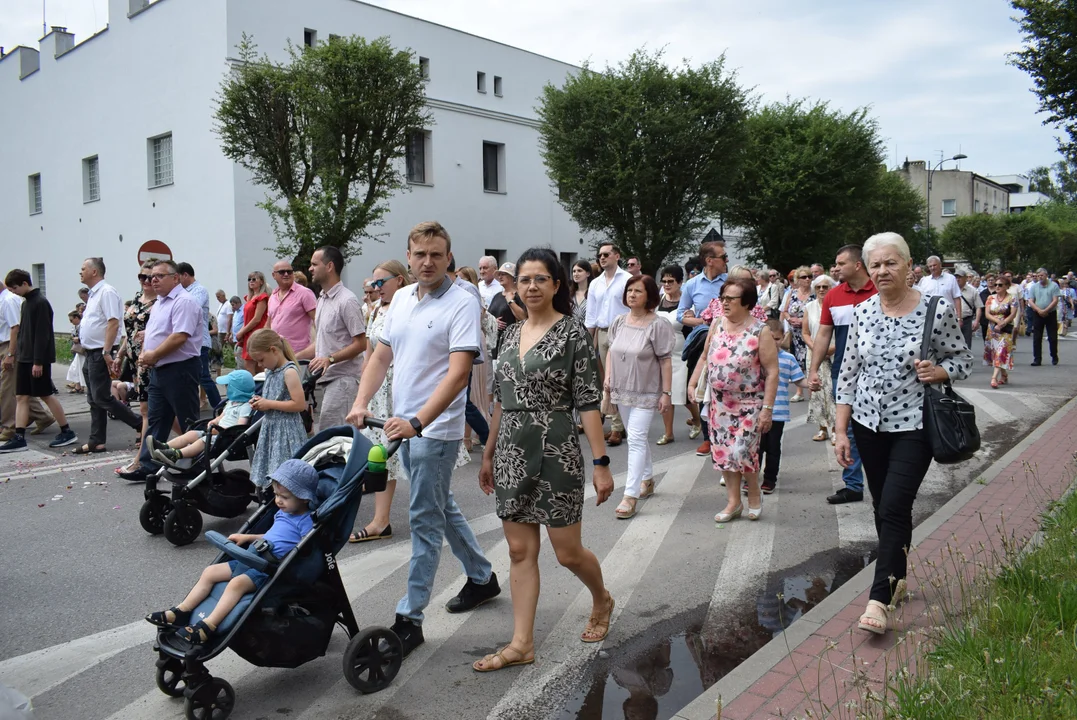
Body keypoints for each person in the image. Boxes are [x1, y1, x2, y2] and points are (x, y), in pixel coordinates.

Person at [346, 221, 500, 660]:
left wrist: (419, 420)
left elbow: (458, 374)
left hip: (436, 429)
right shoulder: (400, 301)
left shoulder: (462, 301)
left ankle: (409, 618)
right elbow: (380, 355)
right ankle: (481, 576)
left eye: (437, 254)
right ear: (409, 257)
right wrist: (361, 401)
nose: (428, 262)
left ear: (448, 257)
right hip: (400, 424)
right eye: (420, 254)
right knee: (438, 504)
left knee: (424, 521)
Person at [474, 247, 614, 672]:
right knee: (519, 551)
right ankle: (521, 643)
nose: (531, 286)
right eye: (524, 279)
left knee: (567, 552)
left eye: (540, 279)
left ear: (557, 285)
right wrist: (489, 451)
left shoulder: (571, 333)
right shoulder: (508, 334)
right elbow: (500, 398)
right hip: (512, 450)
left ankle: (602, 598)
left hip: (556, 448)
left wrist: (602, 463)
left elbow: (589, 403)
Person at [834, 232, 971, 634]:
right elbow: (847, 374)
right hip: (867, 424)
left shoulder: (935, 309)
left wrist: (940, 371)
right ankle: (897, 578)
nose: (882, 271)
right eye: (875, 264)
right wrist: (841, 431)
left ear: (909, 267)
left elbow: (962, 359)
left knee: (893, 505)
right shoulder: (861, 312)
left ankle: (878, 600)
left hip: (915, 424)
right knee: (884, 506)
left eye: (890, 263)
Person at [145, 459, 319, 643]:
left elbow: (305, 548)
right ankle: (181, 611)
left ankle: (208, 626)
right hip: (253, 555)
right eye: (276, 494)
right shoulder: (282, 512)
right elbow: (272, 536)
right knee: (210, 572)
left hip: (269, 566)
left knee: (237, 584)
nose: (278, 500)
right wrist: (248, 538)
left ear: (304, 497)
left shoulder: (306, 521)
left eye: (284, 497)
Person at [687, 277, 778, 522]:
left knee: (741, 451)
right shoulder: (716, 324)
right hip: (719, 402)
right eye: (722, 298)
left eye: (730, 299)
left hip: (750, 403)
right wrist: (693, 383)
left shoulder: (761, 330)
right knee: (724, 454)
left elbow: (772, 371)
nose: (724, 303)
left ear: (746, 303)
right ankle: (733, 502)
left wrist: (767, 409)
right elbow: (705, 357)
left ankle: (754, 491)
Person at [808, 245, 877, 505]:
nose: (835, 268)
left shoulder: (880, 291)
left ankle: (884, 481)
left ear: (858, 264)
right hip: (843, 373)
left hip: (878, 375)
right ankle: (853, 485)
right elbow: (824, 334)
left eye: (840, 263)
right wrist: (814, 369)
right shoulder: (834, 296)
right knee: (846, 429)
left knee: (877, 429)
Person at [349, 259, 411, 543]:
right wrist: (363, 396)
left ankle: (437, 515)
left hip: (403, 387)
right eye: (373, 284)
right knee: (381, 455)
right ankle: (380, 520)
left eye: (380, 282)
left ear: (399, 280)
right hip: (380, 389)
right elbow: (370, 356)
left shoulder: (410, 307)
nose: (375, 288)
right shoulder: (376, 310)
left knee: (414, 456)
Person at [122, 260, 203, 480]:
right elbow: (158, 332)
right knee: (157, 419)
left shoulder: (183, 301)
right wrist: (145, 348)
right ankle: (148, 465)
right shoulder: (160, 302)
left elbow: (180, 336)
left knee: (188, 419)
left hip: (180, 368)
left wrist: (153, 354)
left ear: (175, 278)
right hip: (159, 369)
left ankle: (195, 465)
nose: (153, 280)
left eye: (159, 276)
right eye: (150, 277)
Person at [604, 275, 674, 519]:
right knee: (637, 436)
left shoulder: (658, 324)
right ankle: (647, 479)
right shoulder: (619, 321)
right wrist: (608, 379)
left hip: (647, 390)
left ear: (650, 296)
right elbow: (611, 351)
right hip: (621, 389)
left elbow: (665, 360)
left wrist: (666, 393)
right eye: (629, 290)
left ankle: (630, 495)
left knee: (634, 437)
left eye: (638, 291)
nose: (632, 295)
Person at [0, 269, 78, 452]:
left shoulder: (40, 303)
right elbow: (25, 333)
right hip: (25, 356)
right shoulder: (26, 303)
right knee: (21, 396)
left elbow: (42, 335)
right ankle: (19, 436)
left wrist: (38, 361)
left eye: (15, 288)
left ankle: (66, 430)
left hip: (36, 359)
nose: (13, 292)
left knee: (45, 394)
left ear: (25, 284)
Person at [75, 257, 144, 454]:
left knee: (102, 397)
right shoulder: (93, 294)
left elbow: (113, 322)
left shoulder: (106, 292)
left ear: (94, 272)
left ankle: (138, 423)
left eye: (82, 269)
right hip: (90, 353)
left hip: (100, 352)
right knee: (93, 399)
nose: (80, 272)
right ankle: (96, 441)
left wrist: (106, 351)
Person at [298, 246, 367, 430]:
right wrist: (292, 358)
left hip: (344, 381)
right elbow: (321, 343)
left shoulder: (347, 300)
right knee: (329, 437)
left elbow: (361, 344)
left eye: (314, 264)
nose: (310, 268)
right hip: (329, 381)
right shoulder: (322, 298)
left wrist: (330, 359)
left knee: (335, 439)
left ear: (329, 266)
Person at [678, 241, 728, 457]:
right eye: (723, 257)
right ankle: (708, 438)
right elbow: (681, 314)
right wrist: (702, 321)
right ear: (709, 260)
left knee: (725, 387)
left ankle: (726, 433)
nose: (727, 261)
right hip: (705, 341)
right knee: (703, 387)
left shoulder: (730, 282)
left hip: (729, 342)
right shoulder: (692, 285)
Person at [148, 369, 255, 466]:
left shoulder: (246, 406)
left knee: (202, 441)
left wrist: (221, 431)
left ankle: (176, 454)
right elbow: (221, 417)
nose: (226, 389)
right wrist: (214, 421)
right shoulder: (231, 403)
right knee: (191, 434)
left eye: (228, 386)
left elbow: (240, 427)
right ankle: (164, 447)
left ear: (236, 389)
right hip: (214, 432)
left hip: (227, 438)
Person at [111, 261, 159, 475]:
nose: (147, 281)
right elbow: (130, 332)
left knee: (147, 410)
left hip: (151, 360)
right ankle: (192, 438)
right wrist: (120, 354)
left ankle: (141, 459)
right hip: (134, 360)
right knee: (158, 410)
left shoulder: (160, 302)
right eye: (143, 277)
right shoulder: (137, 300)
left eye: (151, 277)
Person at [246, 329, 309, 488]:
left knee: (286, 473)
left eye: (261, 360)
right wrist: (261, 401)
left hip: (287, 430)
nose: (260, 365)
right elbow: (274, 398)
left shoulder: (289, 372)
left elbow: (299, 404)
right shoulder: (271, 371)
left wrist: (269, 404)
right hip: (271, 428)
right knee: (272, 472)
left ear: (273, 350)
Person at [585, 243, 633, 446]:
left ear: (617, 256)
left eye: (606, 254)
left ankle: (623, 425)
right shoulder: (595, 283)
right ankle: (617, 426)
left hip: (625, 332)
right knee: (609, 380)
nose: (602, 258)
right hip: (604, 333)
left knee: (624, 380)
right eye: (599, 255)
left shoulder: (628, 279)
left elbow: (635, 305)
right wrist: (588, 342)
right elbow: (591, 316)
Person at [755, 319, 807, 494]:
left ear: (783, 337)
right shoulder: (755, 357)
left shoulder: (788, 358)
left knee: (772, 447)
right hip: (757, 411)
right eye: (769, 338)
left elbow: (798, 379)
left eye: (777, 339)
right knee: (756, 447)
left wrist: (812, 383)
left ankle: (770, 479)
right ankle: (752, 479)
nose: (773, 342)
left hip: (778, 412)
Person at [0, 277, 54, 442]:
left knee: (8, 389)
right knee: (22, 391)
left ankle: (9, 426)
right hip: (16, 346)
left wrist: (11, 353)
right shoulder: (18, 300)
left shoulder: (9, 301)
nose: (13, 291)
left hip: (11, 346)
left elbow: (16, 328)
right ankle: (42, 416)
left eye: (14, 288)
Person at [655, 265, 701, 443]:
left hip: (682, 354)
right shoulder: (658, 301)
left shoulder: (687, 303)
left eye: (670, 281)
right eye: (664, 281)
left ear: (680, 282)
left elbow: (695, 326)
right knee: (666, 394)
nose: (666, 284)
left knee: (682, 394)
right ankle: (668, 433)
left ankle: (697, 419)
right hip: (661, 354)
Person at [176, 263, 223, 408]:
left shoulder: (199, 290)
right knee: (189, 378)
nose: (176, 281)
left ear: (185, 275)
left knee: (204, 377)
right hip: (187, 341)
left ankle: (219, 408)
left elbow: (190, 307)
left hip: (199, 341)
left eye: (178, 277)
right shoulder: (182, 291)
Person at [802, 275, 836, 443]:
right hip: (814, 352)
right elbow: (805, 333)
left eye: (825, 286)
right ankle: (822, 428)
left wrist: (831, 349)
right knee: (817, 391)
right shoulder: (810, 307)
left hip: (835, 352)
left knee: (833, 391)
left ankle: (837, 428)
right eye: (818, 287)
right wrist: (816, 348)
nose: (822, 290)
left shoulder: (837, 305)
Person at [267, 260, 317, 357]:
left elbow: (318, 321)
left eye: (289, 271)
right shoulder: (273, 296)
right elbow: (268, 324)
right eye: (282, 272)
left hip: (298, 354)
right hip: (276, 353)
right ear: (274, 275)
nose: (286, 274)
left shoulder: (304, 293)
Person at [779, 266, 814, 401]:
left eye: (809, 277)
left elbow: (820, 312)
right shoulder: (792, 293)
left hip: (810, 333)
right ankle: (799, 392)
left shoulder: (814, 294)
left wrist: (803, 321)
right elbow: (784, 310)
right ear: (797, 280)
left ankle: (812, 390)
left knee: (810, 361)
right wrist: (789, 319)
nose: (807, 279)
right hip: (795, 334)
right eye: (804, 277)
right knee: (797, 362)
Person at [984, 276, 1018, 388]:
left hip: (1006, 329)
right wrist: (997, 321)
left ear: (1007, 286)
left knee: (1001, 351)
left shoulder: (1012, 298)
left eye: (1000, 285)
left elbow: (1013, 314)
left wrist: (1003, 323)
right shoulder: (991, 297)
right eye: (996, 285)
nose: (997, 287)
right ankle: (1004, 375)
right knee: (995, 353)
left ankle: (994, 378)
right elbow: (987, 314)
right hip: (993, 329)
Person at [235, 271, 270, 374]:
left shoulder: (262, 297)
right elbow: (247, 319)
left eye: (254, 279)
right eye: (249, 279)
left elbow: (256, 319)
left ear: (261, 282)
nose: (251, 281)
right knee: (253, 364)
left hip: (256, 333)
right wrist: (241, 332)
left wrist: (241, 332)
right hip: (249, 333)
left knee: (251, 364)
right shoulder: (250, 298)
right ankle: (259, 388)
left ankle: (255, 388)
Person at [488, 263, 526, 356]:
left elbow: (524, 317)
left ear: (513, 277)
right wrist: (494, 321)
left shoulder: (520, 296)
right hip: (495, 346)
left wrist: (510, 301)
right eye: (499, 274)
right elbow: (488, 315)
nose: (500, 276)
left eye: (504, 274)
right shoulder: (497, 296)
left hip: (512, 345)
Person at [1028, 267, 1061, 366]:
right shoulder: (1034, 287)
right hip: (1037, 314)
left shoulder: (1054, 285)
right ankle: (1037, 359)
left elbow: (1055, 300)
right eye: (1038, 276)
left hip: (1050, 313)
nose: (1039, 277)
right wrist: (1039, 310)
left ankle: (1054, 356)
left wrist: (1046, 310)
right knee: (1037, 337)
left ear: (1046, 275)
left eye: (1041, 275)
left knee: (1052, 337)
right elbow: (1030, 300)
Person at [916, 256, 962, 320]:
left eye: (934, 265)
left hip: (948, 316)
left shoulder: (951, 278)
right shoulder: (924, 281)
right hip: (930, 317)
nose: (932, 268)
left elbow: (957, 298)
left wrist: (959, 317)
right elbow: (921, 300)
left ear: (940, 265)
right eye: (930, 266)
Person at [955, 269, 983, 350]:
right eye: (956, 277)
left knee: (966, 343)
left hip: (967, 320)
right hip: (953, 320)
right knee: (954, 343)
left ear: (965, 278)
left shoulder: (972, 290)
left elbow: (978, 307)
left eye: (960, 277)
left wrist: (977, 321)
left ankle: (966, 360)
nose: (958, 279)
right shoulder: (951, 289)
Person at [65, 310, 85, 393]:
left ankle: (81, 386)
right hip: (79, 351)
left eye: (71, 320)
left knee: (80, 368)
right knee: (75, 368)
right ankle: (78, 386)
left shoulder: (82, 325)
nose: (71, 322)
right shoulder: (76, 327)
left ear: (76, 318)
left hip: (83, 351)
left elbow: (85, 337)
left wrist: (78, 339)